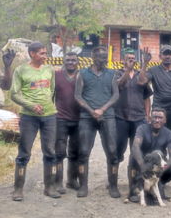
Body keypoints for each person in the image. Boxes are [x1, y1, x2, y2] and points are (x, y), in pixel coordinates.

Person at [11, 42, 61, 201]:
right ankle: (18, 189)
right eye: (41, 54)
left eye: (46, 53)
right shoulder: (21, 70)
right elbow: (13, 94)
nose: (45, 57)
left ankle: (50, 187)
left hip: (49, 116)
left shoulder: (49, 69)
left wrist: (47, 106)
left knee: (50, 152)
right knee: (24, 153)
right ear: (32, 54)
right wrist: (32, 105)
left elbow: (51, 90)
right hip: (28, 117)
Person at [138, 45, 171, 189]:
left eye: (170, 54)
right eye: (165, 54)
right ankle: (155, 176)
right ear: (160, 56)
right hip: (159, 112)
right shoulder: (154, 70)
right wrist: (145, 63)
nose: (167, 56)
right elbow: (141, 81)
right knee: (156, 144)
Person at [75, 47, 119, 198]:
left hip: (108, 117)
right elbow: (77, 97)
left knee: (112, 152)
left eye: (105, 57)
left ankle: (113, 186)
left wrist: (101, 109)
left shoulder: (112, 73)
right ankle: (83, 186)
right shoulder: (82, 73)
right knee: (83, 152)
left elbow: (115, 95)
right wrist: (92, 111)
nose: (104, 60)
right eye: (101, 58)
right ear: (93, 58)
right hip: (87, 118)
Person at [114, 47, 153, 199]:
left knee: (136, 151)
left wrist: (147, 117)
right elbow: (119, 86)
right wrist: (126, 71)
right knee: (117, 150)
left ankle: (134, 184)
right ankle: (113, 182)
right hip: (121, 117)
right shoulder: (116, 73)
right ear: (123, 59)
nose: (131, 59)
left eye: (133, 57)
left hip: (138, 118)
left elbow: (146, 97)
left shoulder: (140, 75)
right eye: (128, 57)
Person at [131, 107, 171, 200]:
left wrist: (163, 169)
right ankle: (135, 187)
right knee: (133, 155)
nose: (157, 120)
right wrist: (143, 165)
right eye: (154, 117)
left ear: (165, 120)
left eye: (160, 118)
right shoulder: (142, 129)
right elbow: (135, 146)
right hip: (144, 161)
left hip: (159, 164)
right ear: (150, 119)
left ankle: (159, 182)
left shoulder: (169, 134)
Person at [54, 52, 80, 194]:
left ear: (78, 62)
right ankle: (58, 182)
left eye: (73, 60)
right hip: (60, 118)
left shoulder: (82, 76)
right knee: (59, 151)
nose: (71, 62)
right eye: (68, 60)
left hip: (79, 119)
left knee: (75, 151)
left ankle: (72, 180)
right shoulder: (56, 75)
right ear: (63, 61)